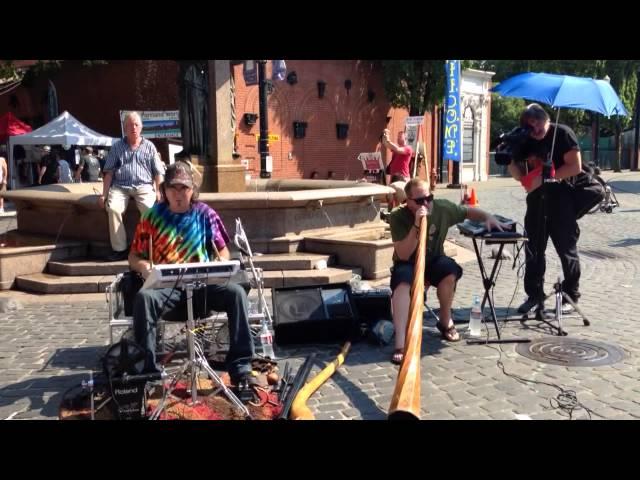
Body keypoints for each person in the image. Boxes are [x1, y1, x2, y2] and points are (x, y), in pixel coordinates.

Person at [128, 162, 255, 389]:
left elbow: (223, 250)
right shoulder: (150, 217)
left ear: (192, 190)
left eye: (184, 188)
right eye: (173, 188)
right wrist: (144, 266)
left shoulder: (206, 214)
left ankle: (241, 366)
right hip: (168, 290)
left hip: (203, 288)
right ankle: (147, 372)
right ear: (164, 190)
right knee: (144, 298)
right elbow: (133, 257)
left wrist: (221, 261)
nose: (178, 194)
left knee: (236, 293)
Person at [387, 178, 507, 364]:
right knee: (402, 283)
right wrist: (417, 225)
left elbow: (467, 211)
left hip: (433, 259)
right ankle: (400, 342)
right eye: (419, 201)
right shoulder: (397, 216)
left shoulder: (442, 208)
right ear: (408, 201)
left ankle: (445, 321)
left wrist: (488, 217)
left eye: (429, 198)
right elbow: (403, 254)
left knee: (449, 270)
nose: (426, 203)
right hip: (408, 262)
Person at [509, 103, 583, 315]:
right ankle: (534, 294)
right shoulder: (526, 138)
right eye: (530, 124)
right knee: (533, 249)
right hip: (536, 203)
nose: (535, 127)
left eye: (538, 121)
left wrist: (545, 178)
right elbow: (518, 171)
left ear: (546, 118)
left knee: (566, 250)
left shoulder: (563, 134)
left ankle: (571, 295)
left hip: (562, 201)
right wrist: (513, 164)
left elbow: (575, 166)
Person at [100, 112, 164, 262]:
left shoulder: (149, 147)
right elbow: (108, 173)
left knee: (150, 211)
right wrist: (103, 195)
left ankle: (150, 248)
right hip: (120, 187)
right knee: (114, 209)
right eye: (129, 125)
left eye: (136, 124)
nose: (133, 128)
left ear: (141, 127)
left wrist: (159, 192)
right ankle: (119, 249)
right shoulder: (116, 147)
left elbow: (158, 173)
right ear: (124, 128)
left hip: (144, 186)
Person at [0, 145, 7, 213]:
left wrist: (4, 179)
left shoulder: (2, 159)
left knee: (1, 195)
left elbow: (5, 170)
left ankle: (1, 208)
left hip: (1, 180)